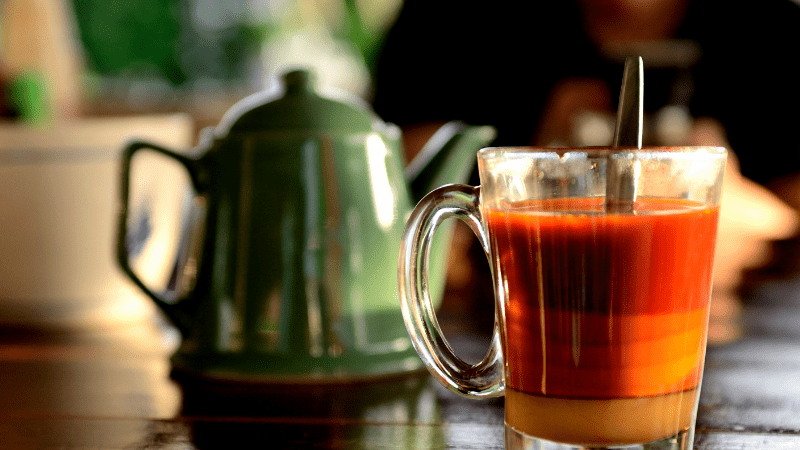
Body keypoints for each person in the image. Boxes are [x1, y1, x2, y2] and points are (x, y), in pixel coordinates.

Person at [372, 0, 800, 327]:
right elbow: (394, 192)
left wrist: (748, 212)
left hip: (711, 342)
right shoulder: (452, 20)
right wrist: (542, 175)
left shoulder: (770, 32)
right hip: (517, 333)